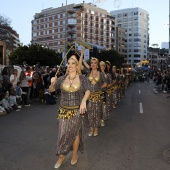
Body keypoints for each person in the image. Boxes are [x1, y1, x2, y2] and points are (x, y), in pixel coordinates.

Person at [49, 51, 90, 169]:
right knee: (62, 134)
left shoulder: (82, 78)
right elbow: (51, 90)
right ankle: (61, 156)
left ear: (77, 65)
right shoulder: (61, 79)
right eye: (69, 63)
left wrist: (83, 101)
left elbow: (87, 90)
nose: (70, 65)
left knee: (75, 133)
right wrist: (52, 83)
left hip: (77, 111)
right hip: (63, 111)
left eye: (73, 63)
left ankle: (75, 154)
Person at [80, 57, 107, 137]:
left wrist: (98, 88)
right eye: (92, 63)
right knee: (90, 114)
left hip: (98, 97)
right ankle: (91, 129)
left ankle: (96, 129)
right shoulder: (88, 72)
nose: (93, 64)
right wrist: (81, 54)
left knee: (97, 113)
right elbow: (80, 66)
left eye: (95, 63)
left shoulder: (101, 73)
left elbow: (105, 83)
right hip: (89, 97)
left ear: (97, 65)